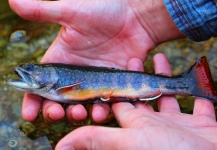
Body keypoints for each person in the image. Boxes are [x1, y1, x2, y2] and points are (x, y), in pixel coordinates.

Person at [8, 0, 217, 149]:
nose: (26, 73)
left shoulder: (60, 89)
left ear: (48, 72)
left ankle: (187, 84)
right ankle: (187, 83)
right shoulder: (55, 87)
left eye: (30, 69)